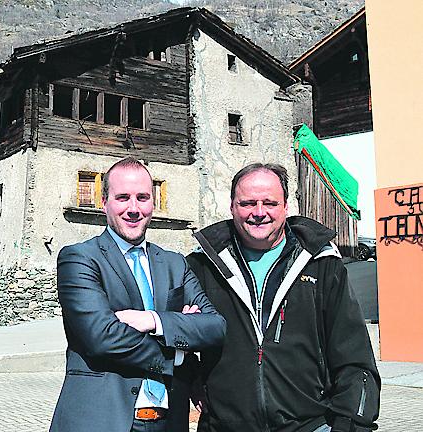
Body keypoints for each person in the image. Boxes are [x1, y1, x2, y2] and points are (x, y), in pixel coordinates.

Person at [186, 163, 380, 432]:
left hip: (309, 425)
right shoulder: (202, 264)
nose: (259, 213)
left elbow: (353, 354)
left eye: (270, 203)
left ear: (286, 207)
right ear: (232, 206)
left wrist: (351, 423)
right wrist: (191, 375)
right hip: (224, 425)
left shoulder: (320, 263)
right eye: (248, 203)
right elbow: (172, 334)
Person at [50, 157, 226, 432]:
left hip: (169, 422)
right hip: (101, 420)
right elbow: (101, 338)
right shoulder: (80, 259)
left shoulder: (175, 264)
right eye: (123, 198)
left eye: (142, 197)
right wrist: (178, 350)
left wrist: (154, 321)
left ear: (153, 203)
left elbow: (215, 326)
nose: (133, 208)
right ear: (104, 201)